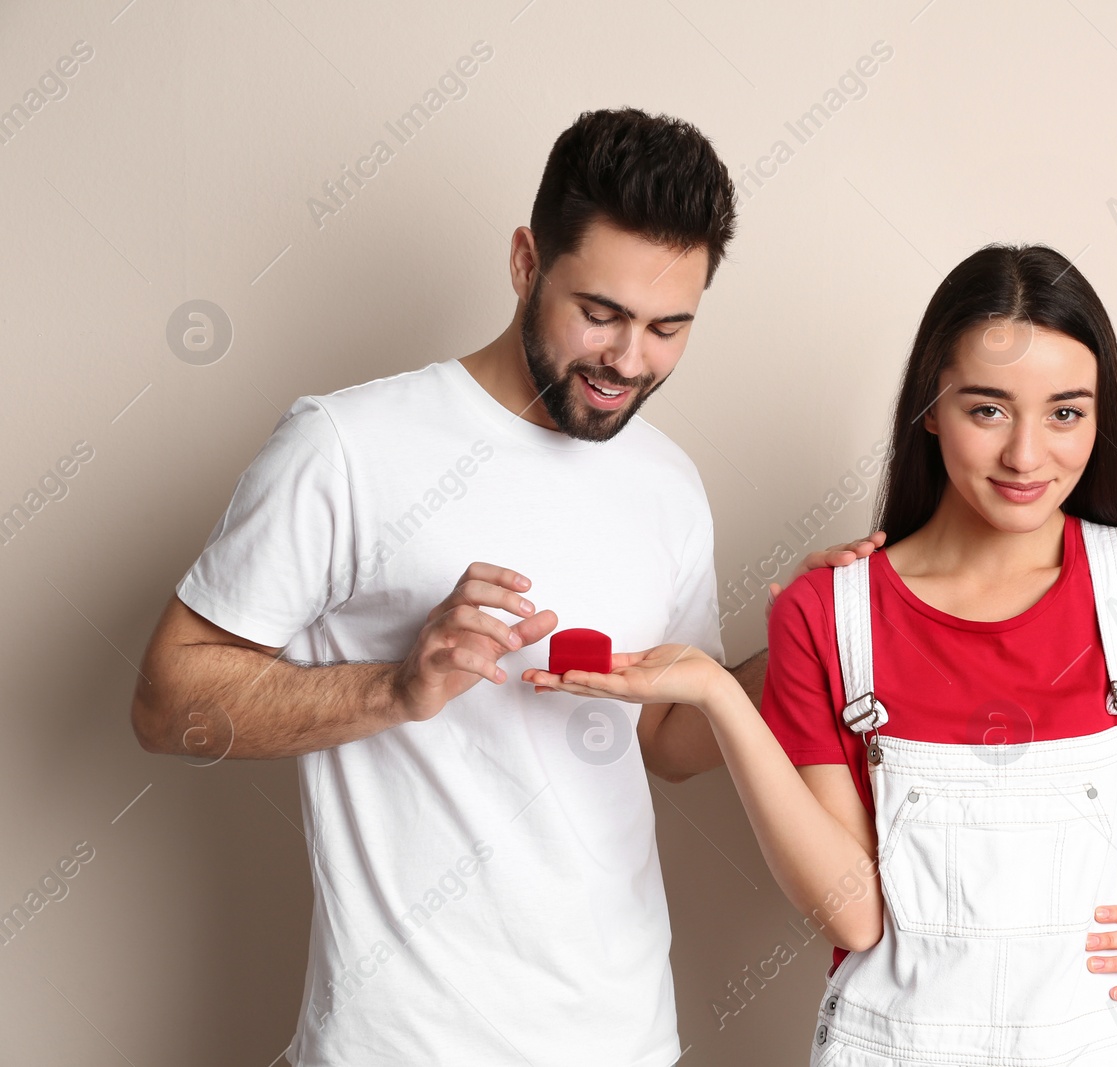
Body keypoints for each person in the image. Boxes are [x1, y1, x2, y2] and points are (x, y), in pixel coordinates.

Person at [529, 243, 1117, 1065]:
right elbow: (852, 912)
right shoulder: (825, 613)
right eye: (988, 408)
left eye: (1067, 412)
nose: (1026, 453)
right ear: (930, 408)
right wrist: (726, 700)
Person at [129, 107, 867, 1066]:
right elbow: (164, 701)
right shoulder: (347, 446)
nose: (629, 360)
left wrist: (813, 632)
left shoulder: (670, 484)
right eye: (598, 313)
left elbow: (668, 742)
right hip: (402, 1043)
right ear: (526, 262)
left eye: (668, 327)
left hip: (624, 1038)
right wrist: (396, 685)